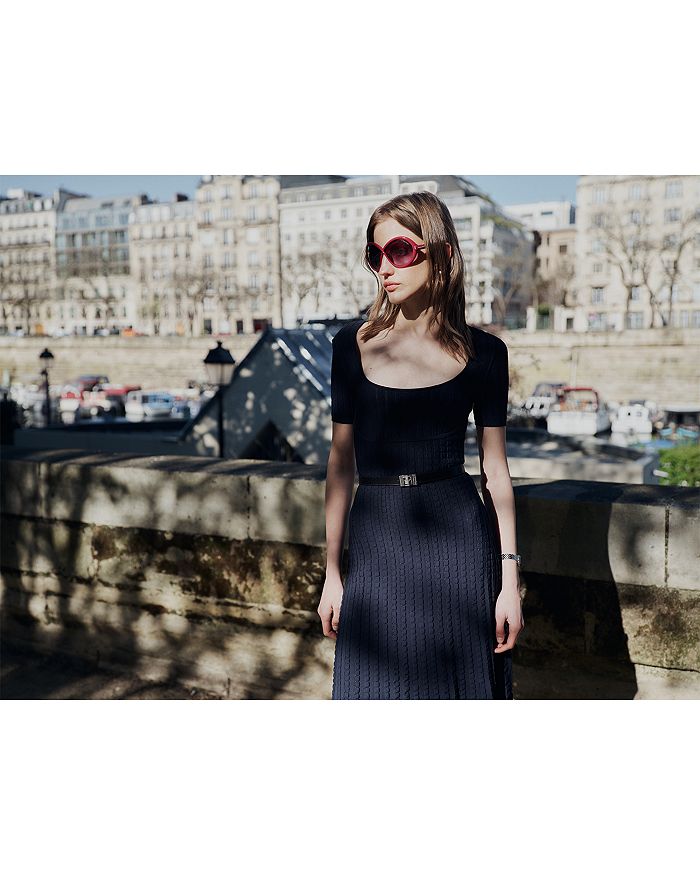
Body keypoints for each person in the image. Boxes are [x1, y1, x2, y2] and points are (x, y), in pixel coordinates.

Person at [318, 190, 524, 699]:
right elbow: (340, 465)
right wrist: (332, 572)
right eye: (376, 254)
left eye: (400, 251)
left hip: (459, 547)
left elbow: (495, 472)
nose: (385, 267)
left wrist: (509, 581)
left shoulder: (486, 354)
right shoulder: (351, 345)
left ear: (442, 254)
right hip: (377, 544)